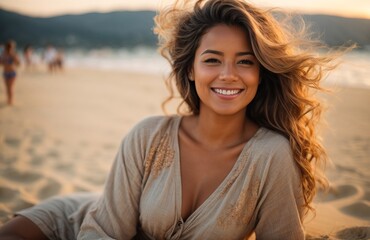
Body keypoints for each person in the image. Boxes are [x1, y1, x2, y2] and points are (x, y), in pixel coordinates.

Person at [0, 0, 347, 239]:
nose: (228, 75)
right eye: (212, 60)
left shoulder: (271, 154)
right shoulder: (148, 135)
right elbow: (102, 230)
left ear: (261, 73)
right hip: (82, 215)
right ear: (191, 70)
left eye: (245, 61)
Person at [0, 40, 20, 105]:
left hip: (12, 72)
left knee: (10, 87)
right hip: (6, 72)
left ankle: (10, 100)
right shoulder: (3, 54)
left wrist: (13, 57)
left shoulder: (13, 54)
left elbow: (18, 63)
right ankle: (9, 99)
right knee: (7, 88)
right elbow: (1, 63)